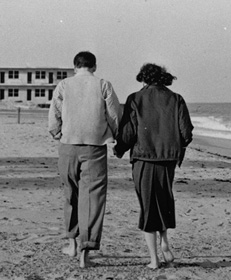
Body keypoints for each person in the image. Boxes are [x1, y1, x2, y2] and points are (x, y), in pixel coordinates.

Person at [114, 63, 193, 269]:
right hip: (168, 159)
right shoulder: (176, 99)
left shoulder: (135, 98)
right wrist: (175, 148)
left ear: (143, 79)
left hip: (144, 158)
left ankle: (154, 259)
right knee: (163, 200)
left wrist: (119, 149)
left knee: (148, 205)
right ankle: (165, 241)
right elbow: (186, 133)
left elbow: (128, 133)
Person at [48, 51, 121, 268]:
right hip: (95, 147)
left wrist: (57, 133)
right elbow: (114, 115)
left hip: (68, 145)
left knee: (70, 194)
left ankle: (71, 244)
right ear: (94, 66)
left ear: (75, 66)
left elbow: (54, 115)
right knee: (92, 198)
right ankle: (85, 253)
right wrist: (114, 135)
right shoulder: (103, 84)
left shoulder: (63, 85)